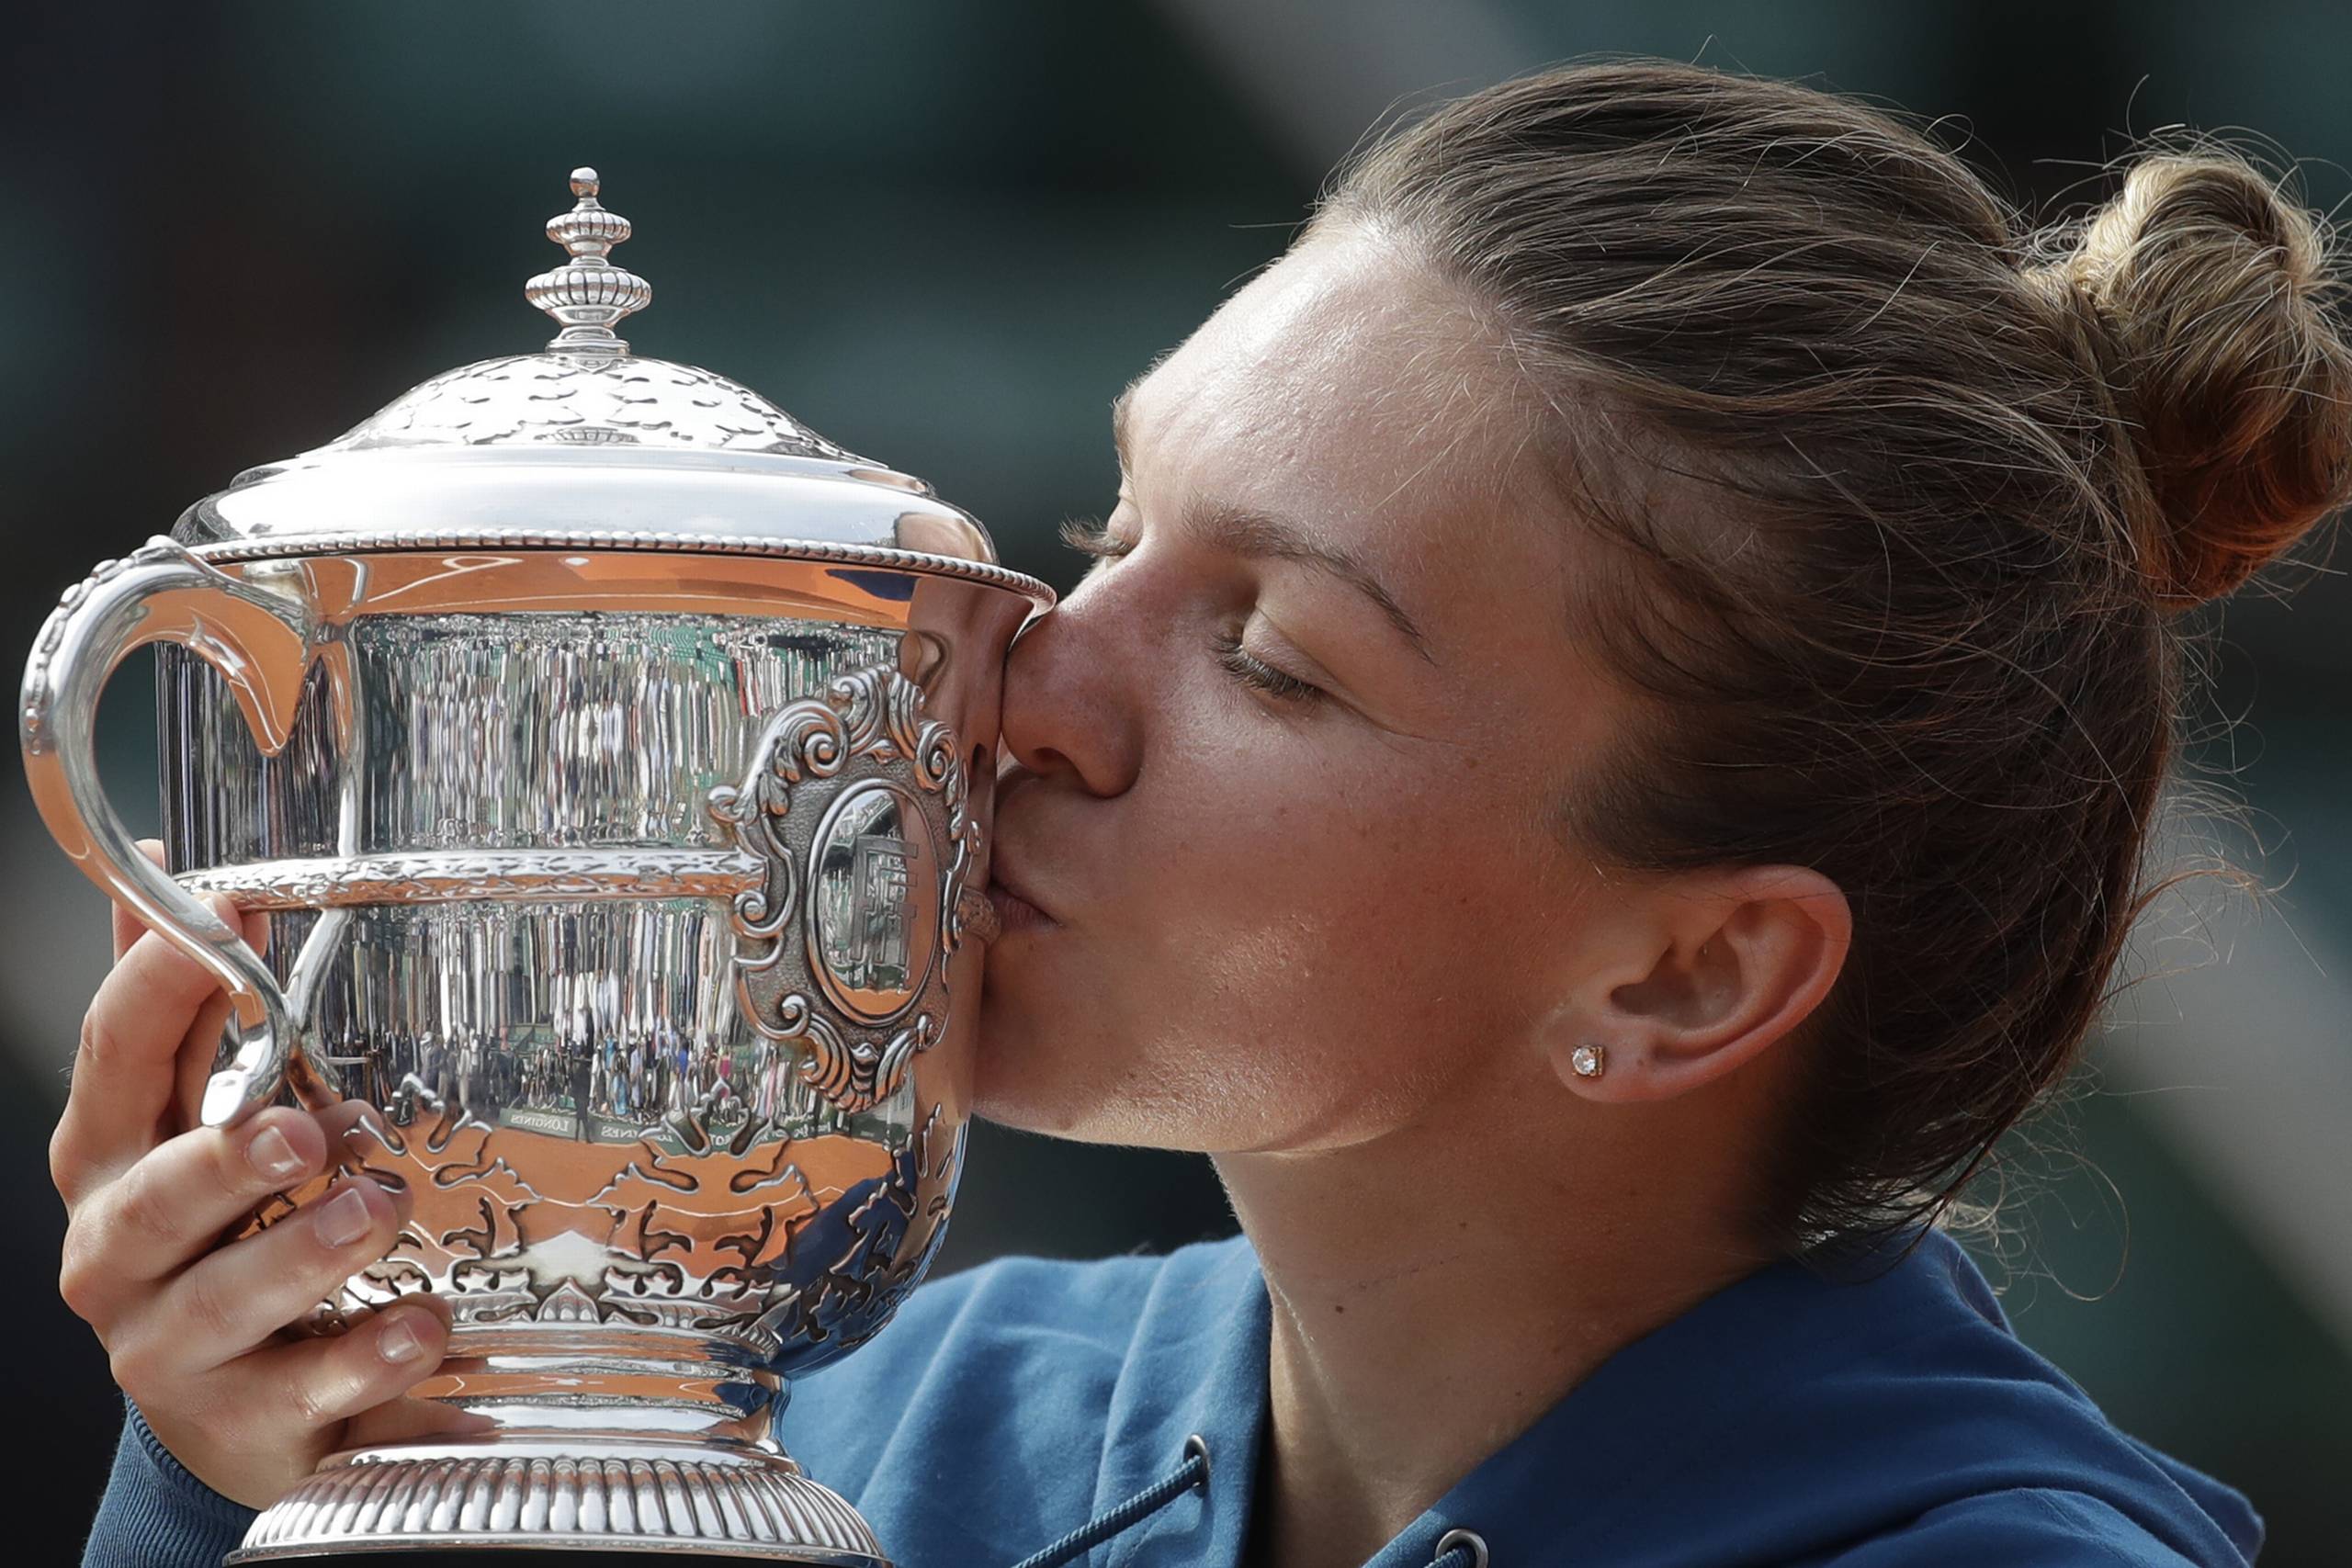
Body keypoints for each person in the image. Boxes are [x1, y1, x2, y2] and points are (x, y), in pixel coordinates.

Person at [52, 61, 2346, 1568]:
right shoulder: (866, 1421)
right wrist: (276, 1477)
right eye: (1113, 524)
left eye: (1268, 654)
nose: (1026, 681)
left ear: (1681, 968)